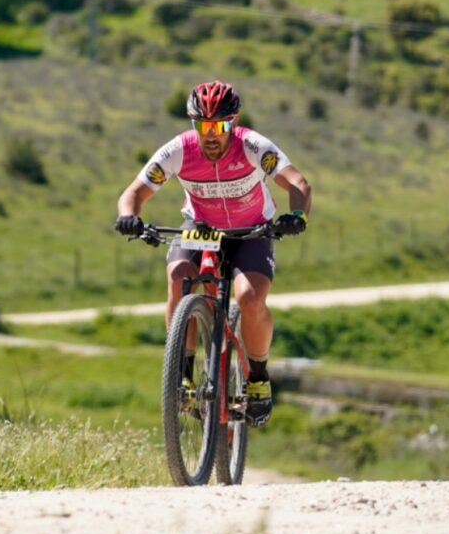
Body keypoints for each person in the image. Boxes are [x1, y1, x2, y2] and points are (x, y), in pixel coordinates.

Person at [115, 79, 311, 426]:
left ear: (232, 122)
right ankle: (183, 373)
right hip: (200, 226)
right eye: (202, 125)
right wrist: (129, 217)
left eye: (219, 126)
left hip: (251, 230)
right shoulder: (179, 149)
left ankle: (258, 379)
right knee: (178, 277)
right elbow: (133, 193)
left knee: (250, 298)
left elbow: (297, 182)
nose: (210, 134)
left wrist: (296, 216)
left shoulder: (251, 144)